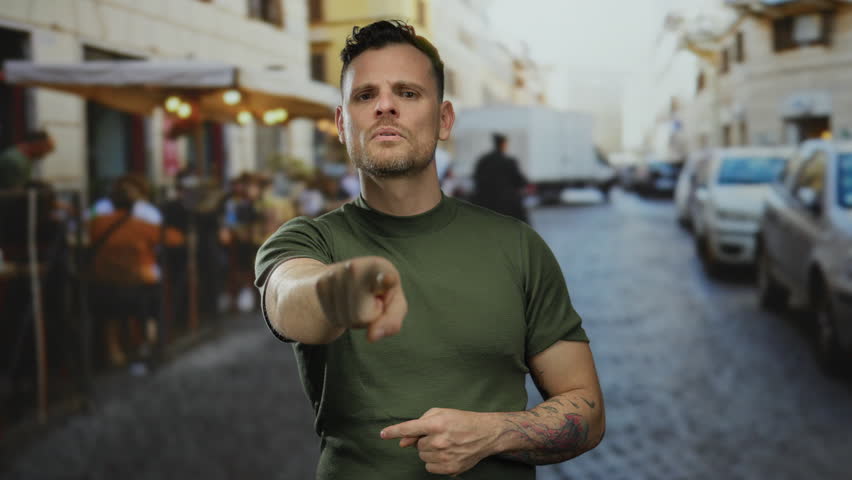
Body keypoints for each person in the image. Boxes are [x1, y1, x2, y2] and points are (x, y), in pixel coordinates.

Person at [254, 20, 604, 479]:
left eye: (407, 92)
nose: (384, 106)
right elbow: (287, 296)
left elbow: (588, 412)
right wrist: (340, 290)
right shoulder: (310, 240)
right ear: (342, 123)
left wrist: (495, 433)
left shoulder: (518, 247)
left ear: (444, 120)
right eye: (364, 95)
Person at [472, 133, 530, 223]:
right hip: (507, 203)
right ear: (503, 144)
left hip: (486, 202)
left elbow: (476, 179)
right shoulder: (509, 161)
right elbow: (519, 180)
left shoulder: (483, 161)